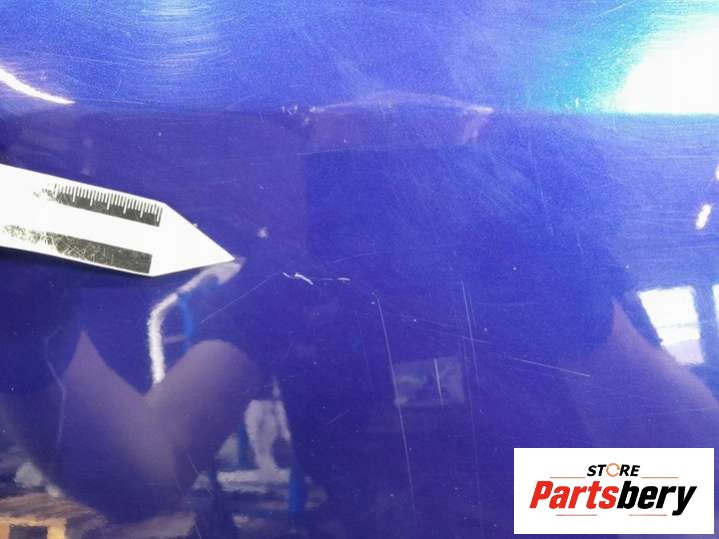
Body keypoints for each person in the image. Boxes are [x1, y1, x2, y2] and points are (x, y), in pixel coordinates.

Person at [0, 100, 717, 538]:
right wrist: (34, 333)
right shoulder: (295, 278)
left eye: (410, 120)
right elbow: (143, 473)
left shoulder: (540, 254)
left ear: (471, 124)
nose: (377, 150)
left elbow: (689, 486)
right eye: (334, 121)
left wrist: (576, 313)